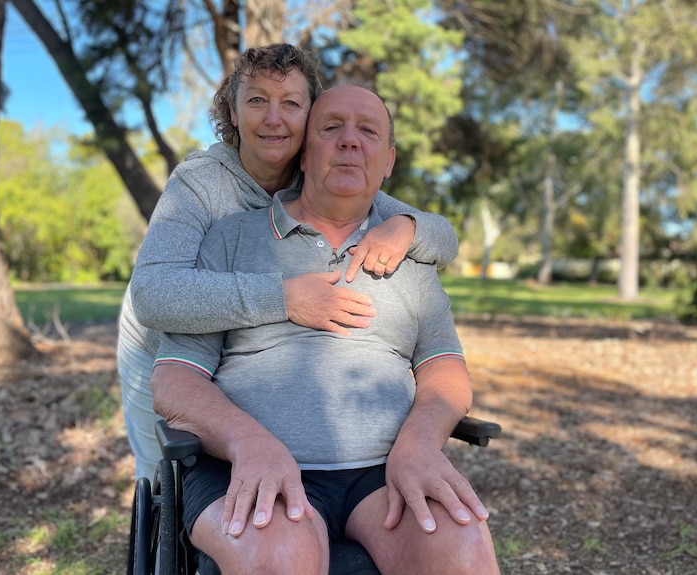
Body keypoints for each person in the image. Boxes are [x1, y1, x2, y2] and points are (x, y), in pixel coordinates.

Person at [151, 85, 500, 575]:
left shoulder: (413, 255)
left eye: (368, 131)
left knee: (460, 545)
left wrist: (420, 442)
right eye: (331, 128)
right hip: (245, 464)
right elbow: (174, 380)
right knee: (279, 554)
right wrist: (247, 442)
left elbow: (444, 368)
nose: (350, 141)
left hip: (385, 471)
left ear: (388, 161)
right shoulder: (229, 239)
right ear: (303, 151)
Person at [117, 44, 459, 481]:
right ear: (233, 113)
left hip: (232, 338)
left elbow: (444, 239)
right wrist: (283, 297)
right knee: (159, 471)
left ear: (309, 116)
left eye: (291, 104)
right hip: (161, 342)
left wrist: (409, 226)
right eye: (256, 100)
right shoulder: (200, 183)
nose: (273, 118)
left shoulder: (318, 168)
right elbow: (153, 295)